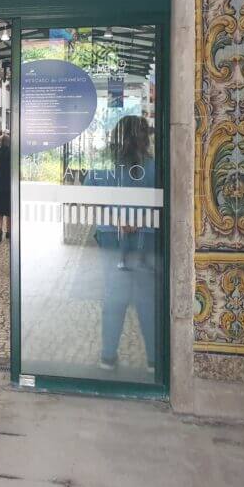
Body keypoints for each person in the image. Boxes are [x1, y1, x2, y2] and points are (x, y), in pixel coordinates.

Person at [93, 115, 157, 374]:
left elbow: (90, 199)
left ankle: (108, 356)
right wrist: (139, 221)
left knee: (113, 295)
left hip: (111, 236)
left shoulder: (105, 166)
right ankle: (154, 360)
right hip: (148, 236)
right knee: (146, 298)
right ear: (144, 138)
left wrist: (117, 219)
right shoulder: (153, 166)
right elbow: (165, 199)